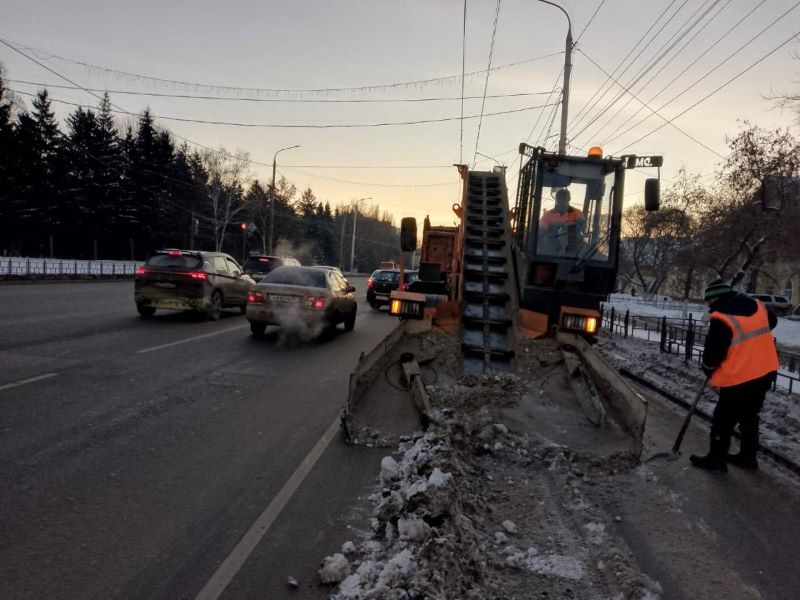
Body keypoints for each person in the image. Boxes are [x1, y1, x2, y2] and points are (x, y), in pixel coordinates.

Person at [690, 280, 780, 471]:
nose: (708, 306)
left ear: (715, 298)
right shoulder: (757, 305)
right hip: (765, 371)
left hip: (740, 377)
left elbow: (713, 354)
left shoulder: (721, 317)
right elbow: (772, 322)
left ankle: (717, 460)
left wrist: (708, 368)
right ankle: (748, 457)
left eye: (708, 301)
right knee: (749, 416)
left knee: (723, 419)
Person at [538, 188, 586, 256]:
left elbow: (582, 230)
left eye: (564, 199)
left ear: (569, 199)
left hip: (572, 252)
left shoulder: (577, 214)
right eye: (559, 199)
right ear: (556, 200)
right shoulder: (547, 215)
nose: (562, 201)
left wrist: (570, 227)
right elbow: (541, 234)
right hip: (551, 252)